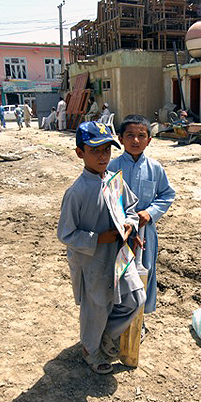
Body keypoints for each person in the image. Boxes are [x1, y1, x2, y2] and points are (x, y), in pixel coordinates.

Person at [57, 121, 146, 374]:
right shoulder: (76, 192)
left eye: (107, 149)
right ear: (80, 153)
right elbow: (66, 234)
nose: (102, 156)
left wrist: (130, 226)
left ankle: (107, 335)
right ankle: (90, 349)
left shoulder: (115, 181)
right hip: (92, 260)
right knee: (96, 308)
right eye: (94, 150)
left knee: (135, 297)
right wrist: (98, 238)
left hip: (119, 254)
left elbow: (131, 210)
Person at [108, 114, 175, 339]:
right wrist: (122, 222)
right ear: (120, 139)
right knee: (119, 275)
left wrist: (150, 212)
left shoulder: (155, 168)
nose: (135, 140)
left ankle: (139, 321)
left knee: (144, 274)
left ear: (149, 140)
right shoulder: (112, 167)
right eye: (130, 135)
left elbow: (166, 194)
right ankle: (116, 322)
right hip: (119, 233)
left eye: (141, 136)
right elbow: (106, 198)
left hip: (146, 234)